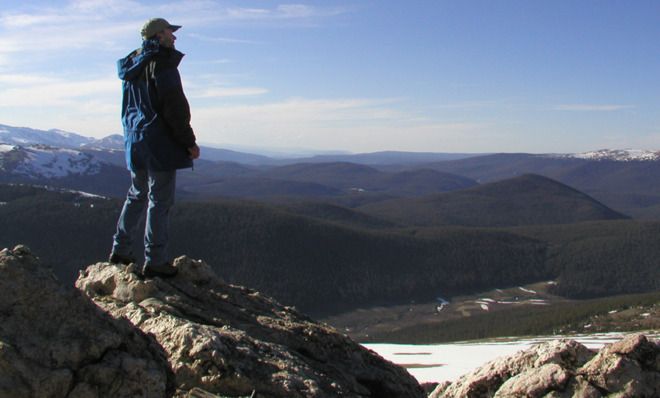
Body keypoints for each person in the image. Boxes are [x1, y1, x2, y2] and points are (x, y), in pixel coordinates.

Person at [108, 17, 200, 278]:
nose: (174, 37)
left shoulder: (131, 67)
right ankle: (155, 261)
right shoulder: (162, 63)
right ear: (158, 35)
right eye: (171, 32)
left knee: (136, 194)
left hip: (134, 140)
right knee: (160, 201)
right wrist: (189, 142)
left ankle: (120, 250)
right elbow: (174, 108)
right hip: (159, 141)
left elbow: (130, 108)